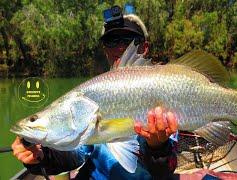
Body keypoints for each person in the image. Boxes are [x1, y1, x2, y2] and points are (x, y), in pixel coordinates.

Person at [11, 5, 178, 179]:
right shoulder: (94, 95)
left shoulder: (165, 87)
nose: (120, 47)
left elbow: (164, 172)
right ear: (105, 50)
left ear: (144, 47)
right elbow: (76, 154)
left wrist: (158, 147)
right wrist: (42, 156)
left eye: (129, 39)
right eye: (111, 40)